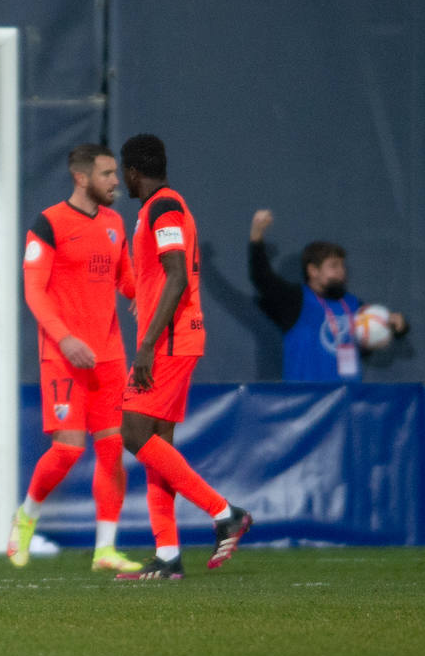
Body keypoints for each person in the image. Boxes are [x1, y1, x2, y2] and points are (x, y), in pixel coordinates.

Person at [113, 134, 251, 580]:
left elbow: (176, 276)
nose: (122, 181)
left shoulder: (162, 207)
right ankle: (168, 554)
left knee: (133, 434)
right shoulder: (162, 207)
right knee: (158, 448)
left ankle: (223, 511)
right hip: (174, 337)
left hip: (169, 341)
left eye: (123, 173)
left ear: (134, 172)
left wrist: (148, 345)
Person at [5, 144, 141, 573]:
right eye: (106, 174)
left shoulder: (116, 223)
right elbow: (33, 291)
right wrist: (64, 339)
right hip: (64, 356)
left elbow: (127, 281)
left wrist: (158, 296)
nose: (115, 181)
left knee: (112, 449)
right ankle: (25, 517)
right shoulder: (48, 223)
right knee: (67, 450)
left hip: (110, 356)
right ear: (81, 178)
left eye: (115, 173)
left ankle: (105, 549)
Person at [248, 209, 409, 381]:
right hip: (307, 403)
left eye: (342, 266)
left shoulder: (353, 304)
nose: (341, 271)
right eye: (333, 266)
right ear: (313, 270)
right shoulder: (295, 299)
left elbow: (373, 339)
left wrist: (396, 327)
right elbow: (261, 277)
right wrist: (257, 235)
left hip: (348, 401)